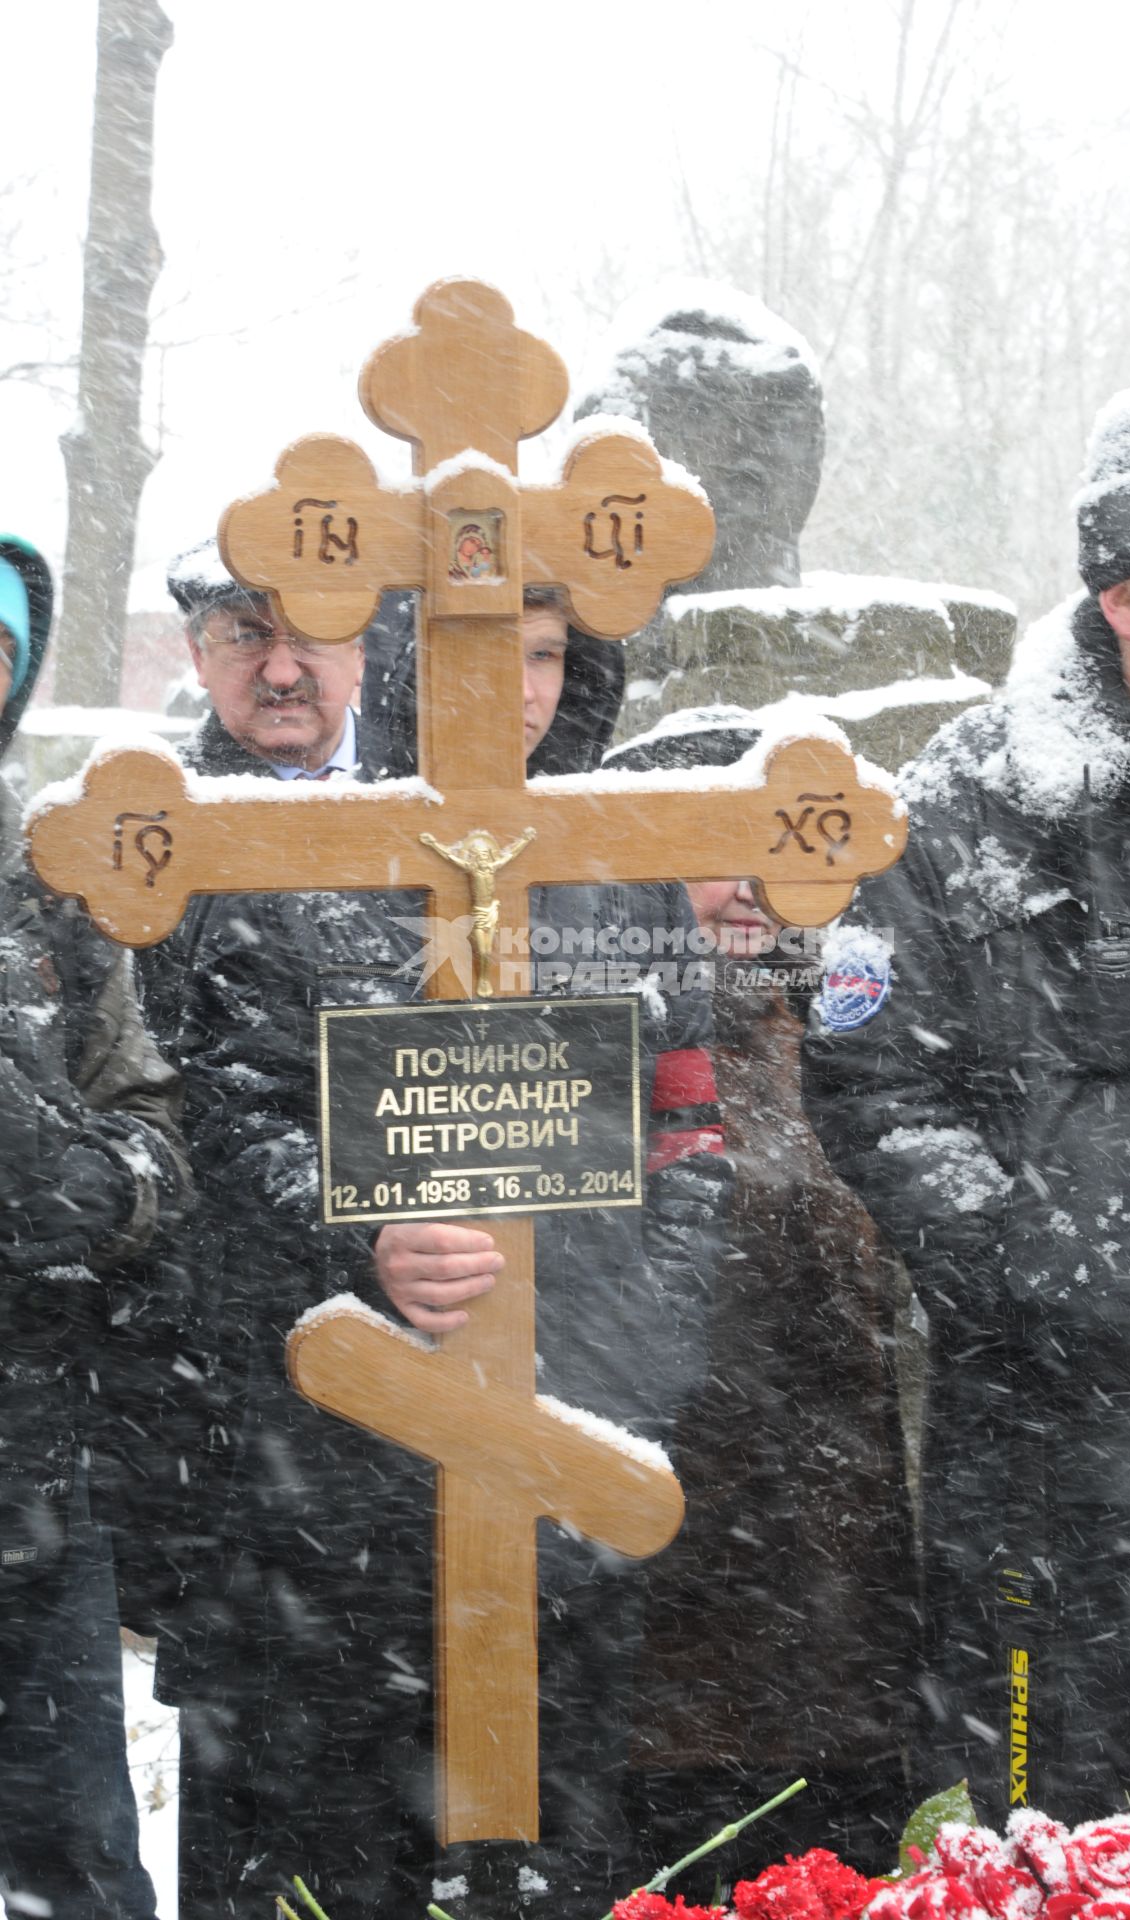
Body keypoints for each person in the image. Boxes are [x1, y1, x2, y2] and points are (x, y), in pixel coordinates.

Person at [150, 557, 729, 1917]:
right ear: (404, 658)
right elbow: (234, 1137)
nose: (513, 692)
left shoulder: (624, 872)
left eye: (540, 658)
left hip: (576, 1439)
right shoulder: (300, 866)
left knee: (547, 1840)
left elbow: (692, 1133)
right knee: (334, 1848)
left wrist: (642, 1343)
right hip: (344, 1476)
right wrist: (368, 1238)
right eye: (482, 655)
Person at [803, 380, 1130, 1826]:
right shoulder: (965, 797)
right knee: (1047, 1815)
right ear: (1123, 599)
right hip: (1050, 1432)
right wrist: (1027, 1262)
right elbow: (864, 1067)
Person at [604, 717, 918, 1880]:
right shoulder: (601, 1035)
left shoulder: (859, 1039)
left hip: (846, 1639)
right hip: (661, 1654)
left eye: (769, 852)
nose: (745, 891)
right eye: (709, 849)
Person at [0, 536, 189, 1918]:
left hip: (29, 1476)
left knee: (77, 1860)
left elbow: (154, 1125)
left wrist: (98, 1182)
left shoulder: (55, 889)